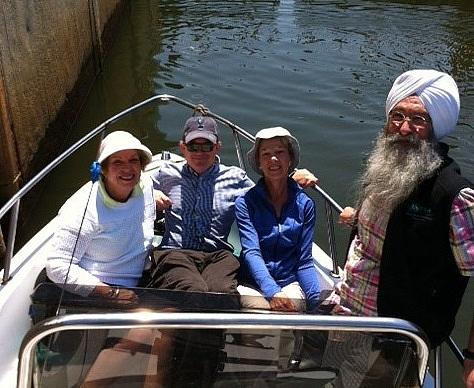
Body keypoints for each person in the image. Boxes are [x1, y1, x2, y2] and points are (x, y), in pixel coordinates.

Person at [322, 69, 474, 386]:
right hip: (346, 316)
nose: (404, 128)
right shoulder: (384, 167)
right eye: (398, 116)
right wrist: (357, 217)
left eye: (418, 120)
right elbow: (386, 233)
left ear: (436, 127)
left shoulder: (454, 195)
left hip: (395, 337)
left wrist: (472, 356)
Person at [149, 115, 318, 386]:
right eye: (194, 146)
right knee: (196, 293)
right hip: (176, 252)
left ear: (218, 148)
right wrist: (148, 194)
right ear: (182, 148)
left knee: (222, 297)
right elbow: (125, 182)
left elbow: (269, 191)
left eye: (207, 146)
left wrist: (293, 179)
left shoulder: (236, 178)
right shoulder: (163, 174)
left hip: (218, 255)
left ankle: (205, 369)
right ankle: (188, 373)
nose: (200, 152)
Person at [45, 131, 166, 386]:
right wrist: (110, 293)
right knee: (147, 329)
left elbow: (138, 209)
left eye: (133, 161)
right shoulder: (82, 209)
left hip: (139, 281)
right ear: (102, 170)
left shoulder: (144, 186)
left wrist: (155, 201)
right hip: (97, 293)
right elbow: (57, 266)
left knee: (174, 318)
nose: (127, 169)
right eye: (117, 162)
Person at [234, 127, 320, 313]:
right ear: (259, 162)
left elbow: (304, 261)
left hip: (288, 281)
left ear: (289, 160)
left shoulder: (305, 205)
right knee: (260, 313)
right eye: (266, 154)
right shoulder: (246, 203)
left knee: (292, 309)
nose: (273, 159)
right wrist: (272, 292)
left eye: (280, 152)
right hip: (251, 282)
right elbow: (251, 252)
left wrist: (316, 302)